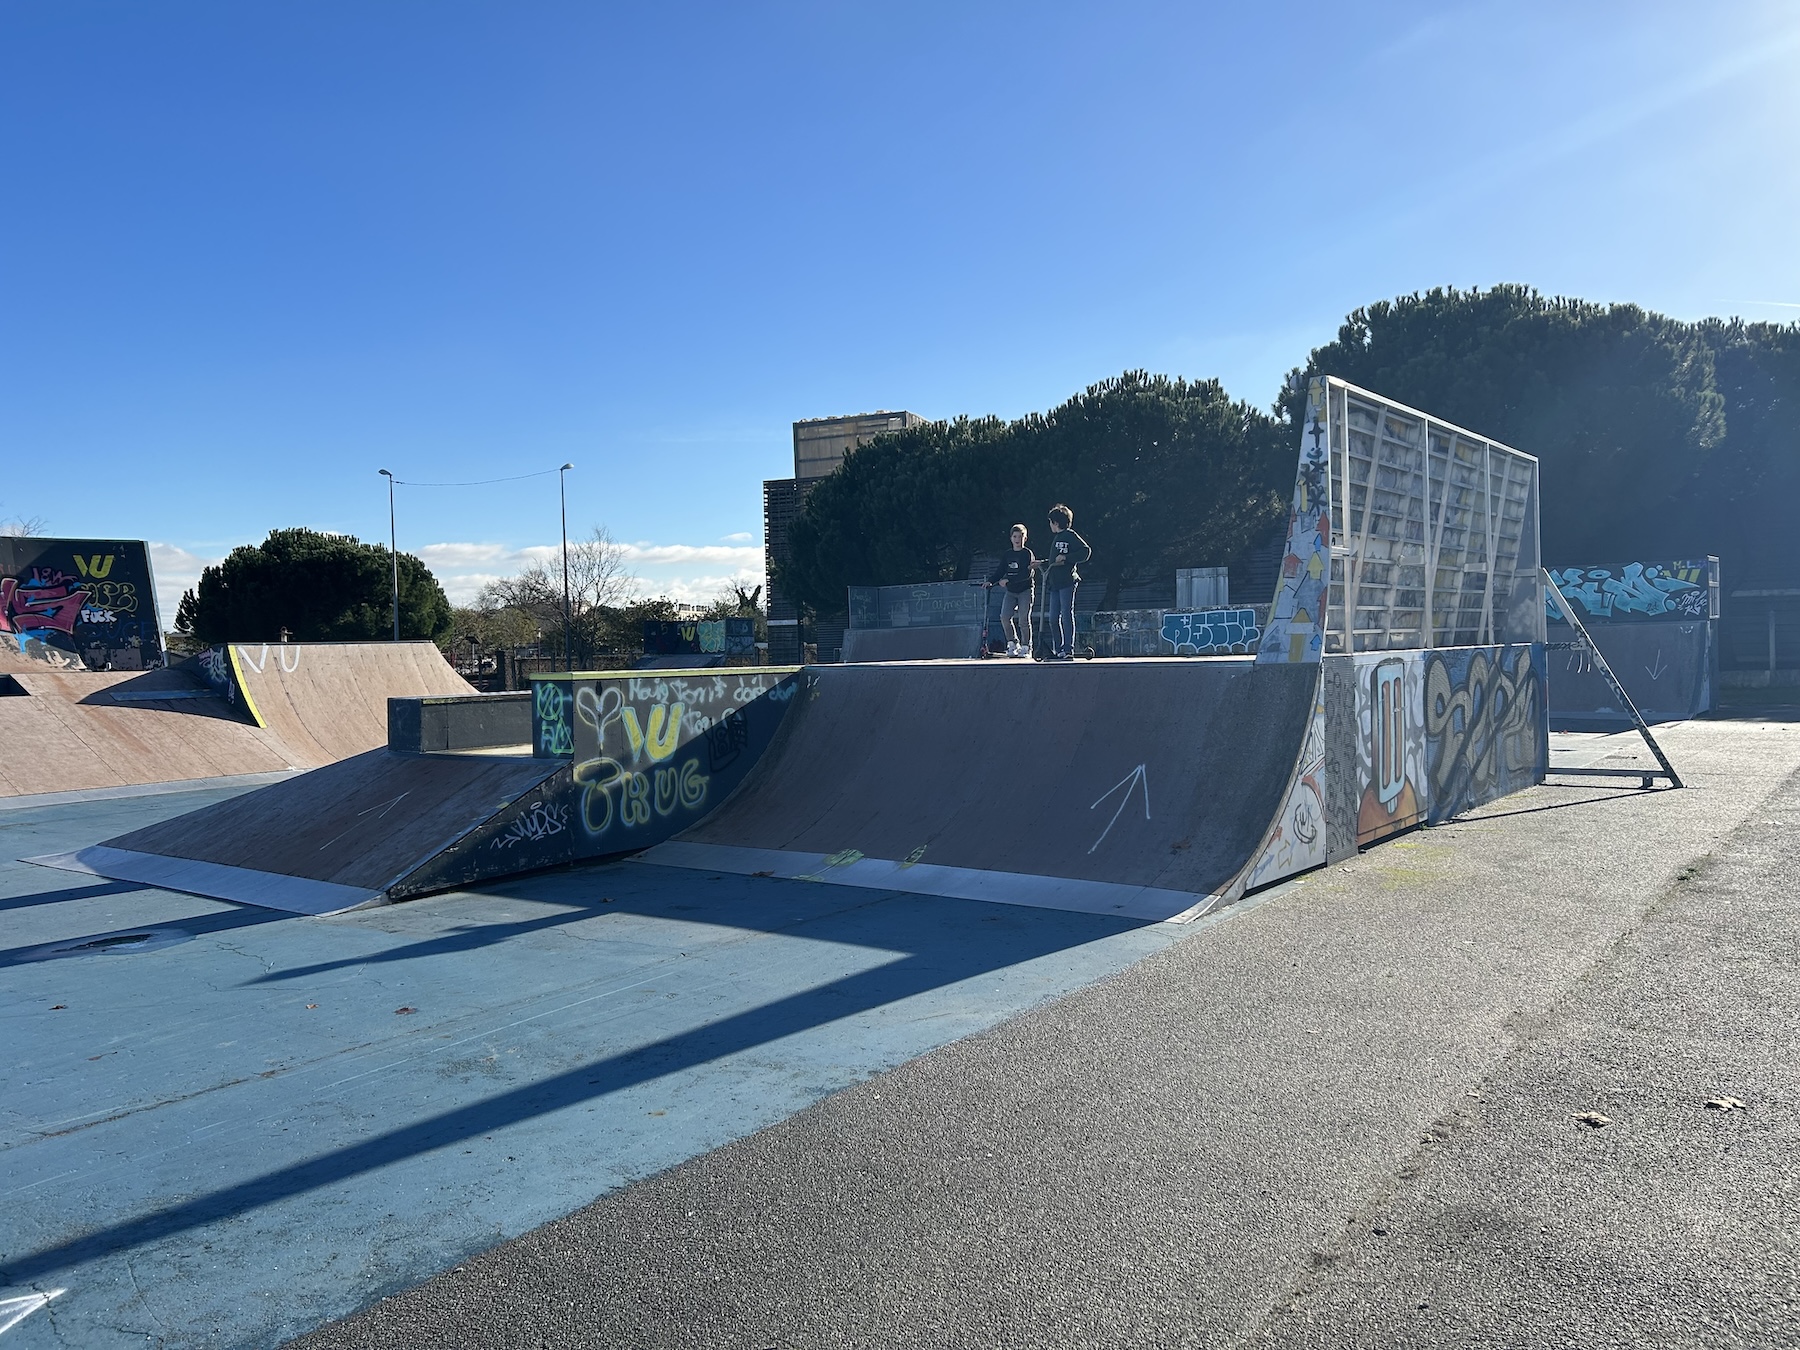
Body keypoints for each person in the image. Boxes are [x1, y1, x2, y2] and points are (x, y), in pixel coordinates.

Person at [1040, 504, 1091, 660]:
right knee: (1052, 617)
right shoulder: (1056, 539)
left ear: (1056, 523)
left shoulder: (1070, 536)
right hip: (1054, 583)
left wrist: (1068, 558)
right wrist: (1041, 563)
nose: (1050, 526)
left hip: (1067, 581)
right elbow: (1054, 561)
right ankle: (1059, 648)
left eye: (1050, 523)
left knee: (1066, 615)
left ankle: (1068, 648)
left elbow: (1085, 551)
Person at [986, 524, 1037, 657]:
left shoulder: (1027, 553)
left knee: (1023, 619)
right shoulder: (1007, 554)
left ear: (1025, 538)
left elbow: (1027, 574)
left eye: (1020, 537)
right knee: (1004, 617)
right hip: (1011, 592)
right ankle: (1013, 643)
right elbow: (1000, 570)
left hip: (1025, 590)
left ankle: (1027, 647)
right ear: (1011, 538)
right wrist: (991, 581)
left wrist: (1008, 580)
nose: (1017, 539)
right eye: (1015, 536)